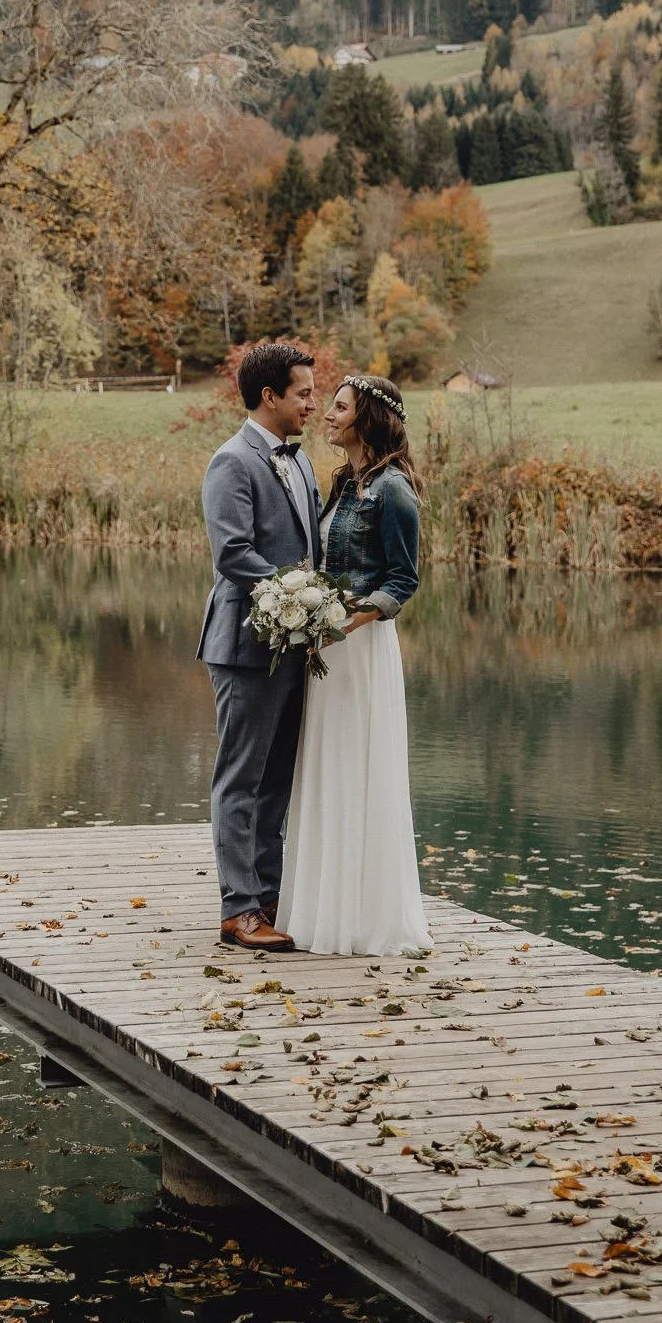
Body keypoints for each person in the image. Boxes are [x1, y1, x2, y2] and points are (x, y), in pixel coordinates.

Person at [276, 373, 432, 957]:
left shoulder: (392, 489)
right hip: (328, 651)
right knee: (327, 772)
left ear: (367, 418)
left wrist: (342, 624)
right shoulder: (345, 484)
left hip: (361, 653)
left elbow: (402, 581)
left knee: (359, 772)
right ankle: (321, 910)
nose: (328, 414)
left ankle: (365, 917)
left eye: (339, 407)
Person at [197, 341, 321, 951]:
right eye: (303, 393)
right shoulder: (232, 462)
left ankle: (268, 899)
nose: (312, 404)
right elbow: (232, 553)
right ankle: (237, 909)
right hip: (245, 643)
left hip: (294, 641)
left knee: (277, 781)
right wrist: (298, 593)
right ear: (269, 395)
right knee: (241, 778)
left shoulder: (299, 462)